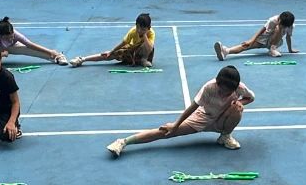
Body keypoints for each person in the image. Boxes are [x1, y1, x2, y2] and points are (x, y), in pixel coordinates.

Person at [107, 64, 253, 156]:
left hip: (222, 118)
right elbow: (192, 107)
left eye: (229, 92)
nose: (225, 94)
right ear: (218, 83)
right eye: (222, 90)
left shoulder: (239, 87)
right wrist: (175, 125)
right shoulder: (209, 87)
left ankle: (225, 136)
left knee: (237, 108)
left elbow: (250, 98)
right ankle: (123, 142)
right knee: (165, 132)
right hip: (203, 117)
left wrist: (239, 102)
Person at [72, 13, 154, 67]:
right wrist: (111, 51)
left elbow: (149, 48)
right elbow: (123, 43)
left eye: (142, 29)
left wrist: (144, 35)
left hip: (143, 53)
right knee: (108, 55)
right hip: (132, 50)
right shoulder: (133, 31)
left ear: (149, 28)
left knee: (148, 45)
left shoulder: (151, 33)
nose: (139, 30)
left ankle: (143, 60)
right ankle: (82, 59)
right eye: (137, 27)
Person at [213, 11, 297, 59]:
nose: (282, 26)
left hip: (275, 42)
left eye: (284, 26)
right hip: (264, 38)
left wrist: (290, 49)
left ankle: (272, 49)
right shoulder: (272, 20)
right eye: (280, 23)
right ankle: (226, 51)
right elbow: (262, 30)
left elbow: (288, 37)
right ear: (279, 19)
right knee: (246, 46)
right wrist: (251, 40)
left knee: (278, 29)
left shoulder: (290, 26)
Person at [0, 17, 68, 65]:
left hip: (11, 47)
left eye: (11, 37)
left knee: (27, 49)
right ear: (1, 35)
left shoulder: (16, 34)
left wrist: (50, 51)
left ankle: (56, 57)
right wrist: (2, 54)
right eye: (7, 38)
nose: (10, 39)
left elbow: (30, 45)